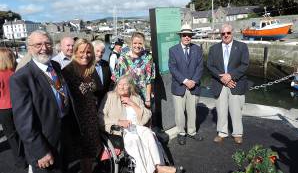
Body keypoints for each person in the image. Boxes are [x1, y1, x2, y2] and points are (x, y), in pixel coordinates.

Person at [10, 30, 80, 173]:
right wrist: (40, 151)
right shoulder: (22, 78)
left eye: (48, 43)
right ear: (29, 48)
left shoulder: (55, 66)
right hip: (44, 143)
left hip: (63, 136)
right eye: (38, 44)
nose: (44, 48)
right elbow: (24, 123)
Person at [99, 75, 181, 173]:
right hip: (119, 131)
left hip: (136, 127)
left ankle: (158, 166)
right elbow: (100, 116)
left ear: (130, 86)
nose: (121, 87)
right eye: (119, 84)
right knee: (134, 139)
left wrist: (132, 103)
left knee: (148, 133)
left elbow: (147, 115)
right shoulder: (110, 96)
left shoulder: (135, 97)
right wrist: (118, 122)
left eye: (125, 84)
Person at [62, 38, 104, 173]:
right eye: (81, 52)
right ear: (75, 52)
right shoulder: (67, 72)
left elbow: (97, 90)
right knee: (83, 154)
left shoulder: (90, 69)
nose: (85, 55)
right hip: (78, 122)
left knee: (91, 154)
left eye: (88, 52)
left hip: (92, 117)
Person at [207, 23, 249, 144]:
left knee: (236, 110)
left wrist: (231, 76)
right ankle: (222, 132)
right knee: (221, 110)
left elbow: (244, 64)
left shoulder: (242, 46)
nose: (226, 35)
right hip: (220, 84)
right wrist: (223, 78)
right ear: (220, 34)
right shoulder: (213, 49)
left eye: (228, 33)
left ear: (232, 33)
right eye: (223, 33)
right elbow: (210, 66)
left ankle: (237, 133)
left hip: (235, 83)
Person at [168, 24, 204, 145]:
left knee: (192, 111)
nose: (187, 37)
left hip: (194, 86)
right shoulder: (173, 50)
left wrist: (193, 81)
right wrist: (185, 81)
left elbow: (200, 67)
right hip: (179, 86)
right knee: (179, 112)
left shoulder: (197, 49)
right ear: (181, 36)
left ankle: (192, 132)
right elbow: (172, 68)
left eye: (189, 35)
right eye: (184, 35)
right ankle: (181, 132)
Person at [0, 48, 27, 169]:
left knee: (11, 136)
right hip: (19, 106)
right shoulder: (16, 72)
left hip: (4, 108)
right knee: (22, 133)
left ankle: (20, 161)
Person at [114, 32, 155, 108]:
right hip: (128, 95)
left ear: (143, 44)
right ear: (131, 43)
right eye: (135, 43)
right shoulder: (123, 59)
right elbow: (117, 79)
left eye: (140, 43)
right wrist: (120, 96)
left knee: (144, 118)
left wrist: (148, 98)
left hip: (144, 96)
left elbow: (149, 80)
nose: (137, 46)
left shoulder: (147, 58)